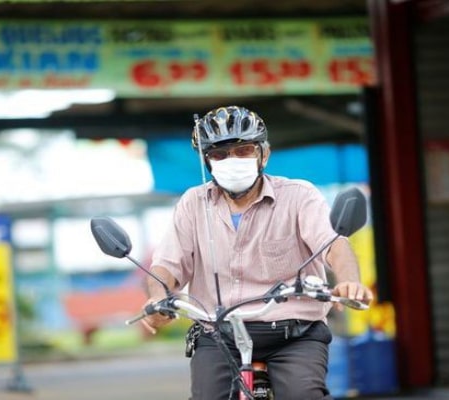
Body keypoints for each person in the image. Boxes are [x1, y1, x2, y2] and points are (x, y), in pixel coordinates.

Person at [143, 105, 373, 400]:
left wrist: (348, 280)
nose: (232, 161)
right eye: (219, 154)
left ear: (263, 154)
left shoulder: (299, 196)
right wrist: (158, 296)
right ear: (207, 161)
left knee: (304, 394)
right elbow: (168, 265)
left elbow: (333, 244)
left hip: (295, 334)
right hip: (219, 335)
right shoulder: (192, 204)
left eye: (243, 151)